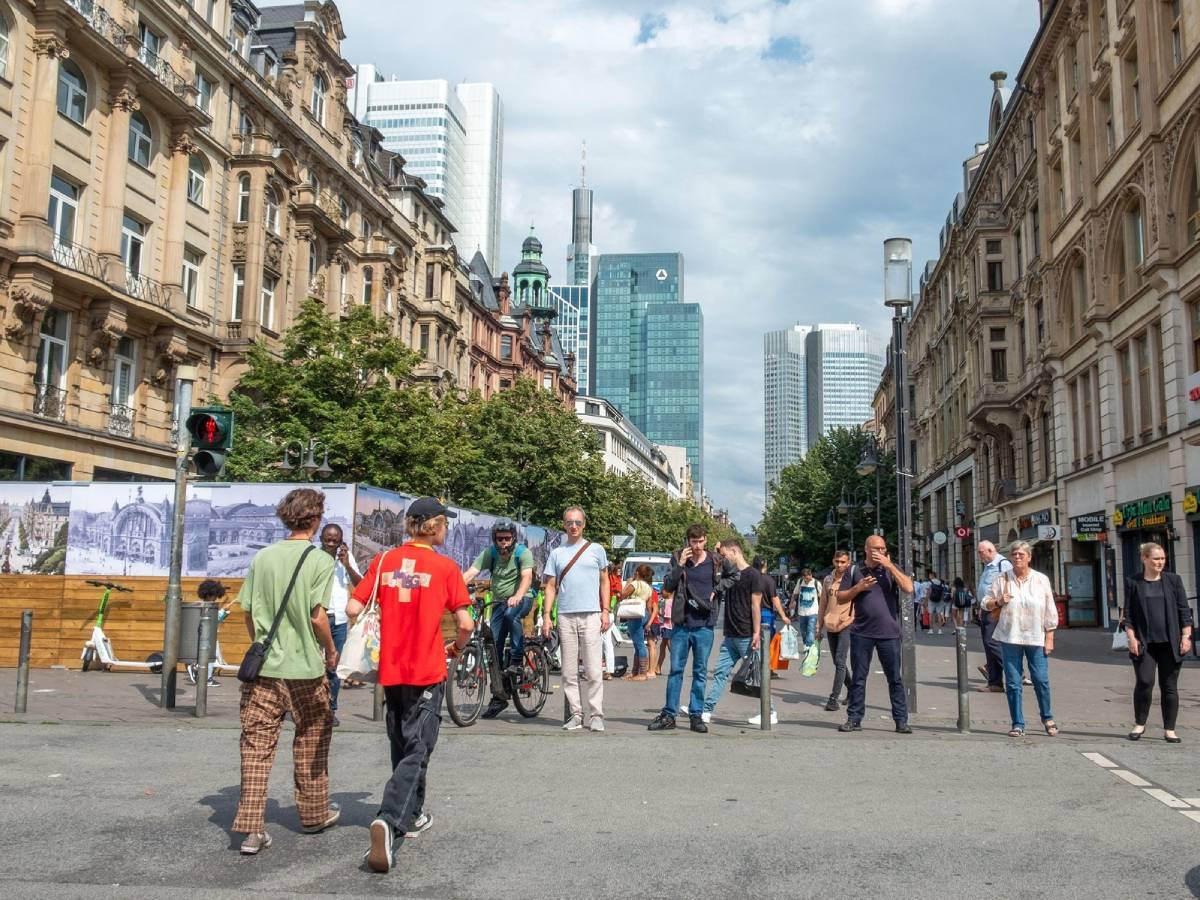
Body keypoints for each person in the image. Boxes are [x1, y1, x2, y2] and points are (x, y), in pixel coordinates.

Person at [344, 496, 472, 874]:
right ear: (432, 526)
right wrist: (457, 647)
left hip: (391, 668)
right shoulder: (445, 567)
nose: (446, 529)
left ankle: (413, 814)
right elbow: (465, 623)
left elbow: (353, 609)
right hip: (427, 668)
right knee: (420, 746)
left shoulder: (384, 562)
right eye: (444, 523)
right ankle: (390, 818)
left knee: (401, 740)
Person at [232, 488, 339, 855]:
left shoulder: (262, 557)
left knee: (256, 746)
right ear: (315, 519)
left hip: (264, 671)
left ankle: (251, 830)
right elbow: (317, 615)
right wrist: (330, 649)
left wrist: (261, 643)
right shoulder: (321, 560)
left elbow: (246, 611)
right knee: (311, 739)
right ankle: (313, 814)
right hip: (306, 669)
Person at [649, 523, 728, 733]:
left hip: (704, 625)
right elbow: (667, 587)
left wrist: (718, 589)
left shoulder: (716, 561)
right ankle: (669, 715)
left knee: (700, 672)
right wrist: (680, 565)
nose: (698, 546)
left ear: (706, 540)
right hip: (682, 623)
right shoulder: (677, 558)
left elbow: (735, 576)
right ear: (688, 542)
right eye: (694, 542)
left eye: (701, 541)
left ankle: (696, 715)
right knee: (675, 670)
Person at [837, 535, 915, 734]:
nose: (879, 552)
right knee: (859, 679)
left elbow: (908, 587)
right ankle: (854, 719)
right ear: (866, 549)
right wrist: (858, 587)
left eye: (882, 548)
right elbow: (840, 598)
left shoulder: (891, 568)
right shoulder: (854, 570)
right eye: (875, 549)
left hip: (889, 633)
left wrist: (889, 566)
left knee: (895, 678)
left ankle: (901, 720)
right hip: (861, 632)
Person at [541, 507, 610, 732]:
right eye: (570, 522)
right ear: (563, 524)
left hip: (591, 614)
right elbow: (550, 586)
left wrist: (606, 610)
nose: (573, 526)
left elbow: (604, 581)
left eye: (578, 523)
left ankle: (597, 714)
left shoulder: (596, 550)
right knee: (568, 671)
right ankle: (576, 714)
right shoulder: (557, 553)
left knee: (593, 669)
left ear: (584, 525)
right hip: (565, 615)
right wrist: (547, 615)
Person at [980, 541, 1058, 738]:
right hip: (1010, 636)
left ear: (1029, 557)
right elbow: (985, 603)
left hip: (1035, 636)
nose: (1017, 557)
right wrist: (998, 601)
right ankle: (1017, 723)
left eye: (1021, 554)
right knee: (1013, 683)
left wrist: (1050, 637)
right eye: (1014, 554)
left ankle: (1047, 717)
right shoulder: (1002, 578)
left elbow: (1050, 609)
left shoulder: (1041, 580)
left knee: (1041, 679)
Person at [461, 521, 535, 719]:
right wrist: (454, 589)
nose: (503, 542)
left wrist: (518, 595)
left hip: (523, 598)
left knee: (512, 614)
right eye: (499, 538)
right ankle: (499, 695)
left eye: (507, 538)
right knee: (492, 643)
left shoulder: (523, 553)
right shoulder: (490, 553)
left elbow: (527, 577)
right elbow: (470, 573)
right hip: (499, 602)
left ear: (513, 538)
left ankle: (518, 660)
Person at [1122, 542, 1194, 743]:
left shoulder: (1173, 581)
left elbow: (1184, 611)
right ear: (1144, 559)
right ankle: (1139, 724)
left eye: (1162, 558)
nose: (1160, 562)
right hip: (1145, 642)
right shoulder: (1133, 582)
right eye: (1156, 558)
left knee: (1169, 685)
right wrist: (1131, 637)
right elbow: (1128, 613)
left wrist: (1186, 636)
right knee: (1145, 682)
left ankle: (1169, 729)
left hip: (1170, 642)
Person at [700, 539, 766, 725]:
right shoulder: (729, 574)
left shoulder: (753, 575)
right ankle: (706, 710)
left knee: (756, 675)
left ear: (735, 552)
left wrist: (756, 632)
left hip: (746, 633)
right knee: (720, 673)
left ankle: (769, 711)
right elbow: (715, 568)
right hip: (730, 635)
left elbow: (755, 605)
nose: (724, 559)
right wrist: (716, 551)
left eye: (726, 555)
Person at [320, 523, 361, 727]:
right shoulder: (313, 555)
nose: (331, 542)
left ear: (341, 540)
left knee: (334, 667)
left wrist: (347, 565)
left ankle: (330, 709)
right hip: (317, 616)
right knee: (310, 665)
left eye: (335, 539)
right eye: (328, 538)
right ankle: (302, 707)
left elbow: (360, 584)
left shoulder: (345, 558)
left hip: (338, 619)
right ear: (321, 537)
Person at [817, 550, 854, 712]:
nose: (839, 565)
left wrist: (854, 620)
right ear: (833, 561)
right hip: (830, 624)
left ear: (848, 563)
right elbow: (823, 604)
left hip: (846, 624)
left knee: (840, 661)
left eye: (843, 562)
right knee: (837, 662)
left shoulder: (852, 580)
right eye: (837, 561)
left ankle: (833, 698)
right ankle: (853, 690)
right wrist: (819, 626)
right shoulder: (827, 580)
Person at [975, 541, 1013, 693]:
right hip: (987, 607)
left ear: (990, 550)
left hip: (996, 608)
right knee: (988, 644)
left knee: (992, 642)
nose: (979, 555)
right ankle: (995, 683)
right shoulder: (988, 566)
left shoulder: (1002, 564)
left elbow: (1009, 586)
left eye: (981, 552)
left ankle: (1015, 672)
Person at [186, 579, 237, 687]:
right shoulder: (204, 605)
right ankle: (198, 671)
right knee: (211, 656)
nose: (215, 598)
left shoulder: (207, 605)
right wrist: (221, 614)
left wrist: (222, 614)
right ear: (209, 594)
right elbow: (210, 620)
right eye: (214, 595)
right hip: (207, 636)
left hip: (210, 635)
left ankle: (204, 675)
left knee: (213, 657)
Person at [618, 564, 654, 681]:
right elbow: (649, 606)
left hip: (634, 615)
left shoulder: (635, 584)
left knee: (639, 645)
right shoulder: (648, 587)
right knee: (638, 644)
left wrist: (628, 582)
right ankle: (635, 672)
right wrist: (648, 621)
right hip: (643, 614)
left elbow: (622, 595)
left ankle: (642, 673)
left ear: (637, 573)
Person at [792, 567, 820, 649]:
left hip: (813, 612)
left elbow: (822, 596)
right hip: (802, 612)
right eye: (805, 579)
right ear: (803, 577)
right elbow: (795, 593)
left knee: (810, 630)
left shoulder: (816, 583)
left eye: (808, 579)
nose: (806, 581)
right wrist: (791, 602)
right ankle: (805, 643)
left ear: (811, 575)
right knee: (803, 631)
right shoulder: (800, 581)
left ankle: (809, 647)